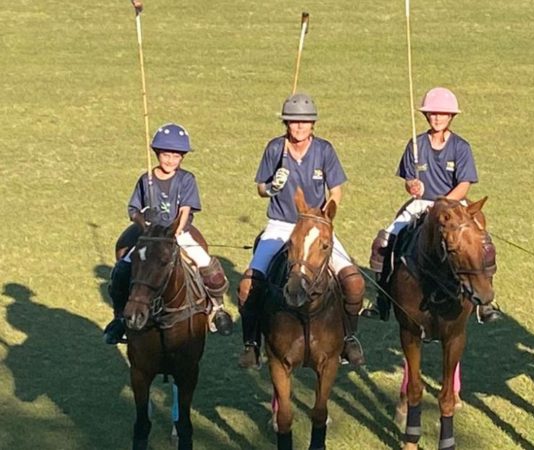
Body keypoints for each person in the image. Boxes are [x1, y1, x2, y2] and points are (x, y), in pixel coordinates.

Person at [237, 93, 366, 368]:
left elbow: (337, 190)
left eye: (304, 123)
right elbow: (261, 187)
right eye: (294, 122)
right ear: (286, 123)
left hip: (317, 227)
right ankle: (251, 343)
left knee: (354, 282)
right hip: (282, 224)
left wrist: (325, 217)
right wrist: (271, 187)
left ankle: (349, 338)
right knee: (248, 285)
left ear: (312, 125)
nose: (299, 127)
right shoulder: (275, 149)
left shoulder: (324, 150)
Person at [367, 87, 501, 323]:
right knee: (384, 241)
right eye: (433, 114)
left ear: (451, 117)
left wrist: (445, 206)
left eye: (443, 114)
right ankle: (383, 298)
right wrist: (412, 186)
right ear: (427, 116)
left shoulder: (461, 147)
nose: (438, 118)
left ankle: (485, 301)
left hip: (454, 202)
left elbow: (465, 183)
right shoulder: (416, 144)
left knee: (483, 243)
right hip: (422, 204)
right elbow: (409, 179)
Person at [103, 123, 234, 344]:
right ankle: (119, 319)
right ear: (157, 153)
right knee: (122, 270)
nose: (170, 160)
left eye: (176, 156)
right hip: (150, 235)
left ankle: (218, 308)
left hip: (177, 232)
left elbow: (185, 210)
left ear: (182, 157)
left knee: (207, 264)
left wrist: (176, 230)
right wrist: (143, 220)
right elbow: (133, 210)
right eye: (166, 154)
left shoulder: (186, 179)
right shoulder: (147, 180)